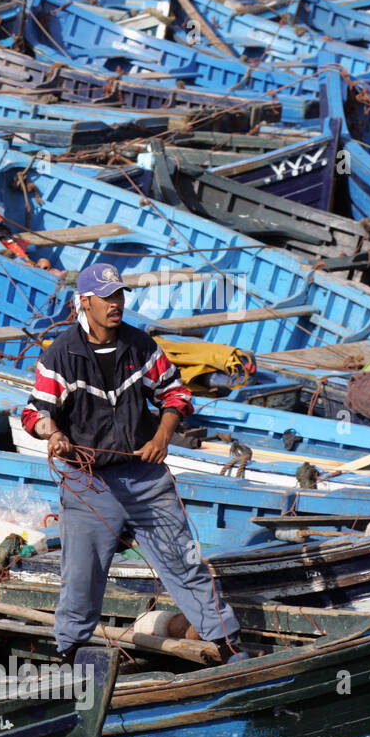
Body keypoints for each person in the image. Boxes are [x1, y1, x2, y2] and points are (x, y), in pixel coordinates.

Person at [20, 262, 244, 664]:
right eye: (106, 298)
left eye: (119, 295)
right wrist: (53, 435)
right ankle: (68, 653)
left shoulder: (142, 347)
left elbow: (175, 395)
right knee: (81, 578)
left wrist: (161, 438)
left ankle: (228, 645)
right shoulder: (60, 357)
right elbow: (35, 413)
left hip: (146, 479)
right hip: (87, 484)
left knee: (185, 565)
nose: (115, 304)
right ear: (84, 303)